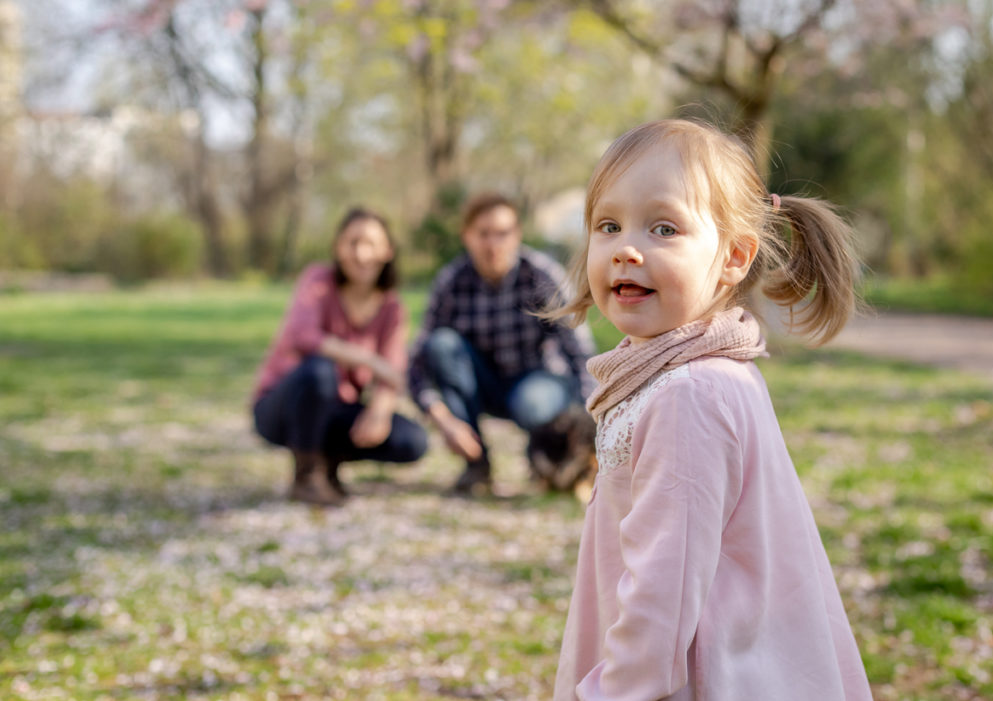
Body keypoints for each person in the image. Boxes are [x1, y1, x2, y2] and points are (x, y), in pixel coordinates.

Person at [548, 119, 873, 699]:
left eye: (664, 227)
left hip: (697, 674)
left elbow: (662, 595)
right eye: (608, 225)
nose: (626, 247)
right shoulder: (685, 371)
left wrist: (617, 690)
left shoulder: (687, 396)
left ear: (734, 257)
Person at [407, 192, 596, 495]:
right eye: (483, 234)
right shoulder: (451, 281)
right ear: (466, 236)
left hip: (537, 384)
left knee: (532, 403)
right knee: (441, 345)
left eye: (503, 233)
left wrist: (592, 410)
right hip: (481, 385)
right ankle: (476, 465)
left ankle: (556, 453)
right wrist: (440, 417)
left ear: (517, 234)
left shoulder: (541, 274)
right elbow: (417, 363)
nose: (493, 244)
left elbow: (579, 351)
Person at [252, 208, 428, 506]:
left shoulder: (392, 308)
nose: (361, 254)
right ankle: (307, 476)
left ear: (388, 251)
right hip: (283, 407)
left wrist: (380, 411)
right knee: (320, 371)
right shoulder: (318, 281)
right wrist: (369, 360)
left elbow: (393, 372)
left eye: (370, 244)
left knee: (411, 441)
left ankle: (328, 464)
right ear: (337, 248)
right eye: (352, 243)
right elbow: (303, 335)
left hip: (338, 410)